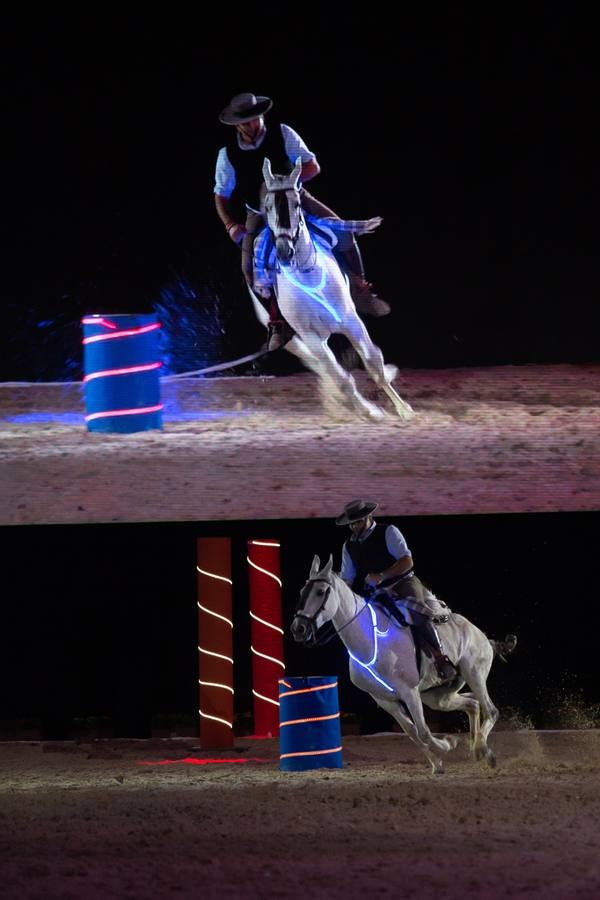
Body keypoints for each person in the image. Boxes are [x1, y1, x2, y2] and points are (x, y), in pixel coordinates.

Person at [214, 92, 390, 351]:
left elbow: (312, 166)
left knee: (342, 232)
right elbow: (221, 193)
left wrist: (289, 187)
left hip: (295, 198)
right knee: (249, 269)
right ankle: (277, 323)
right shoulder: (228, 154)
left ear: (261, 116)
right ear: (237, 124)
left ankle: (361, 287)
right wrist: (230, 224)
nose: (251, 126)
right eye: (245, 122)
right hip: (260, 213)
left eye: (254, 120)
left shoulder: (282, 133)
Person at [336, 499, 456, 682]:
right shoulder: (348, 547)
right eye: (351, 523)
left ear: (368, 516)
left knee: (417, 612)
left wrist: (382, 575)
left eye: (358, 521)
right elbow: (348, 579)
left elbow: (407, 560)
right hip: (376, 591)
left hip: (403, 582)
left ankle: (441, 659)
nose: (354, 526)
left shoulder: (388, 531)